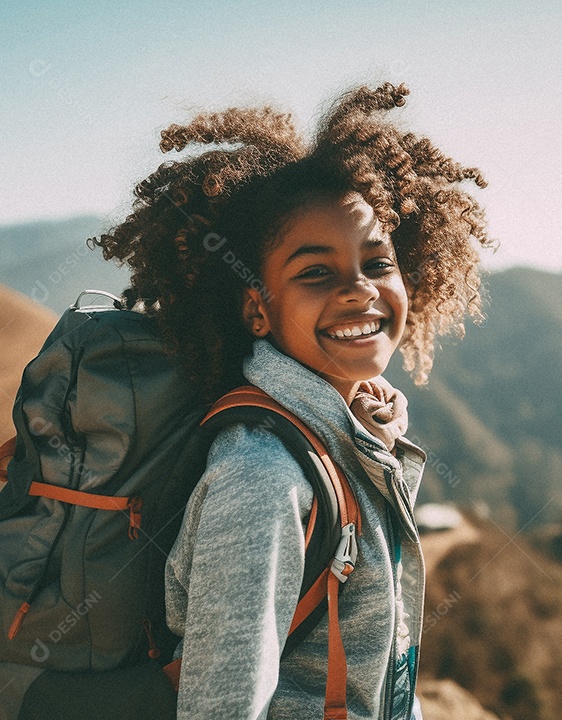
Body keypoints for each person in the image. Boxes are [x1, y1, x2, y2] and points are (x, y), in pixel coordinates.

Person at [93, 82, 493, 720]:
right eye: (314, 272)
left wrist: (365, 439)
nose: (359, 290)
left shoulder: (339, 429)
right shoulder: (262, 479)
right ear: (257, 308)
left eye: (379, 262)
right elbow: (220, 708)